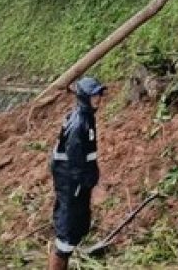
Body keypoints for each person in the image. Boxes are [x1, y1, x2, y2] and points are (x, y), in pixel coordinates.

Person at [48, 77, 106, 270]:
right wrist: (85, 182)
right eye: (94, 95)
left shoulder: (86, 117)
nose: (98, 99)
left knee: (76, 228)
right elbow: (74, 159)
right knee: (67, 234)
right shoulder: (79, 122)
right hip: (71, 184)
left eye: (99, 94)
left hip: (77, 183)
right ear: (83, 97)